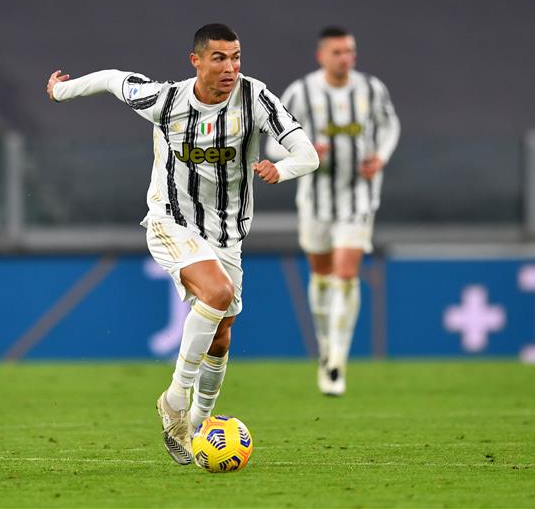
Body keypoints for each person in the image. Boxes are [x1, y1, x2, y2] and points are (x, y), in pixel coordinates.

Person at [46, 23, 318, 465]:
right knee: (217, 294)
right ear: (196, 61)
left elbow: (308, 154)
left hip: (227, 232)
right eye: (219, 58)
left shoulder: (256, 97)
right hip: (170, 220)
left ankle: (197, 422)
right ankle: (173, 402)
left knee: (222, 333)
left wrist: (282, 169)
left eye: (236, 57)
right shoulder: (167, 100)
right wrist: (62, 92)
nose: (230, 67)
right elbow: (115, 79)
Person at [266, 26, 400, 396]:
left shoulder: (371, 89)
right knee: (322, 276)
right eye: (338, 52)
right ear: (321, 55)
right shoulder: (301, 92)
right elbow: (272, 142)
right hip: (315, 199)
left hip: (359, 196)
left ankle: (338, 359)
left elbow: (390, 126)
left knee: (345, 273)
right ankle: (327, 347)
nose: (346, 58)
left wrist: (381, 157)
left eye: (350, 51)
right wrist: (302, 153)